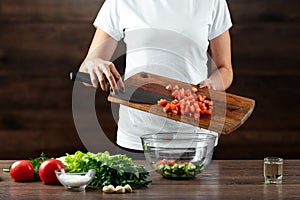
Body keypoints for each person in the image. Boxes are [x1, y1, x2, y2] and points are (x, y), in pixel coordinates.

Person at [79, 0, 233, 152]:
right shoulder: (120, 2)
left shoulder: (213, 2)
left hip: (196, 134)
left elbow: (224, 69)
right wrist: (94, 64)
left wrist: (210, 86)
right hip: (138, 133)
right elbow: (86, 69)